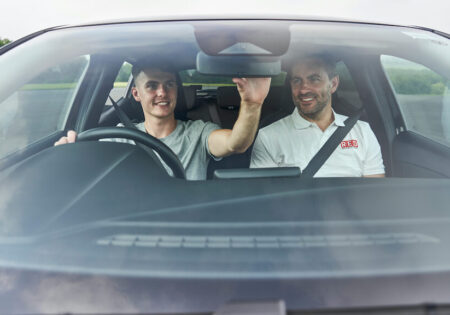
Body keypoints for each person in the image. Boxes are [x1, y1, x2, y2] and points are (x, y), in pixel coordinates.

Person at [55, 62, 271, 180]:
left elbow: (236, 143)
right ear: (136, 94)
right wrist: (70, 156)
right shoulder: (119, 137)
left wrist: (252, 104)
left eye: (169, 84)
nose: (162, 92)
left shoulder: (198, 132)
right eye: (152, 86)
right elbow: (89, 169)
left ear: (177, 90)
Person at [250, 54, 385, 177]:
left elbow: (375, 194)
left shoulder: (362, 131)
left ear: (333, 84)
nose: (303, 89)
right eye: (297, 81)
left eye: (314, 79)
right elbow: (266, 197)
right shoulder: (269, 136)